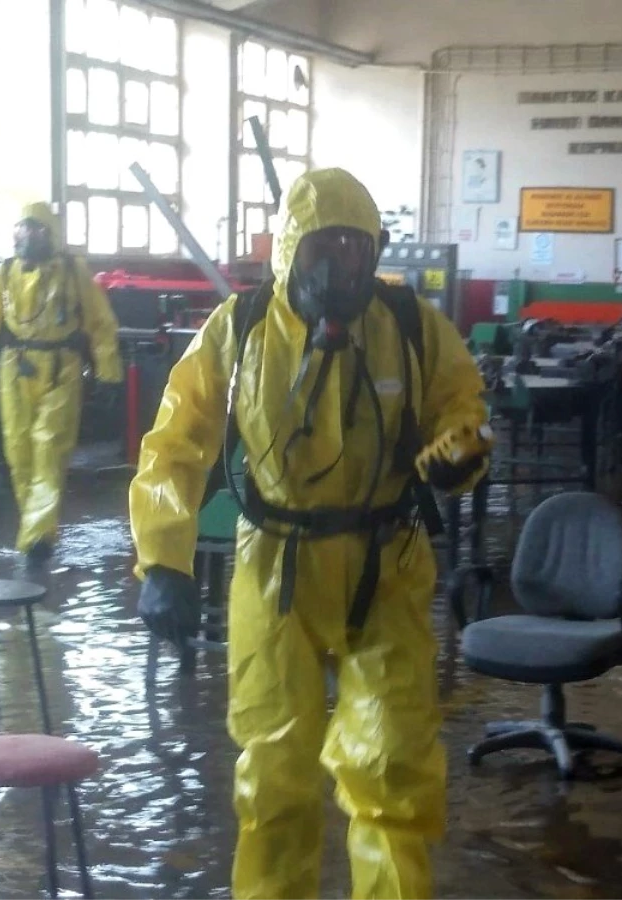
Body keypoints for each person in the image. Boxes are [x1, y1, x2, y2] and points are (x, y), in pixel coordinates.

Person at [129, 168, 491, 899]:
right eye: (323, 247)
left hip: (386, 564)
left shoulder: (413, 328)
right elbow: (176, 442)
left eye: (355, 249)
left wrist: (456, 455)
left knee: (393, 768)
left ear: (376, 250)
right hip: (274, 569)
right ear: (290, 249)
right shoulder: (238, 331)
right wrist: (162, 559)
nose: (340, 266)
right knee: (273, 772)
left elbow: (463, 408)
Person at [0, 202, 122, 567]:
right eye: (22, 230)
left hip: (61, 370)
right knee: (20, 455)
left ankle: (36, 538)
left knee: (49, 450)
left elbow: (101, 324)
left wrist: (109, 372)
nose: (28, 237)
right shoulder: (1, 276)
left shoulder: (73, 273)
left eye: (36, 230)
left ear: (51, 233)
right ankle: (39, 528)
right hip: (14, 371)